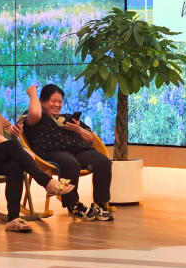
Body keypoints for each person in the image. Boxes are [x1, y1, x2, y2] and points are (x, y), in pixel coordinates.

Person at [0, 75, 74, 233]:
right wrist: (22, 150)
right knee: (10, 146)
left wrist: (16, 132)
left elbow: (11, 129)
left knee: (14, 166)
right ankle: (47, 182)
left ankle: (13, 219)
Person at [19, 84, 114, 221]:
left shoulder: (69, 117)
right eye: (53, 101)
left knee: (103, 162)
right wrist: (32, 94)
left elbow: (90, 138)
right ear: (42, 101)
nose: (57, 105)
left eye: (60, 102)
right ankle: (73, 205)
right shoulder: (36, 118)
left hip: (79, 150)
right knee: (70, 163)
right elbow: (35, 113)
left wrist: (78, 130)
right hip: (52, 153)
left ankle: (100, 204)